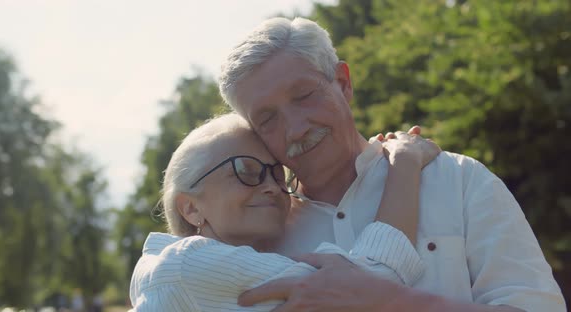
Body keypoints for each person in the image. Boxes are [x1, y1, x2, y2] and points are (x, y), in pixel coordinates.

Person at [218, 17, 565, 311]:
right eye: (267, 119)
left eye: (305, 96)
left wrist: (388, 299)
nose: (295, 128)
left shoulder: (457, 180)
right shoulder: (257, 235)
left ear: (343, 82)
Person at [129, 113, 440, 311]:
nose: (271, 186)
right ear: (191, 208)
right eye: (246, 172)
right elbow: (369, 286)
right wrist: (404, 162)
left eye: (278, 174)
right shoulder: (190, 264)